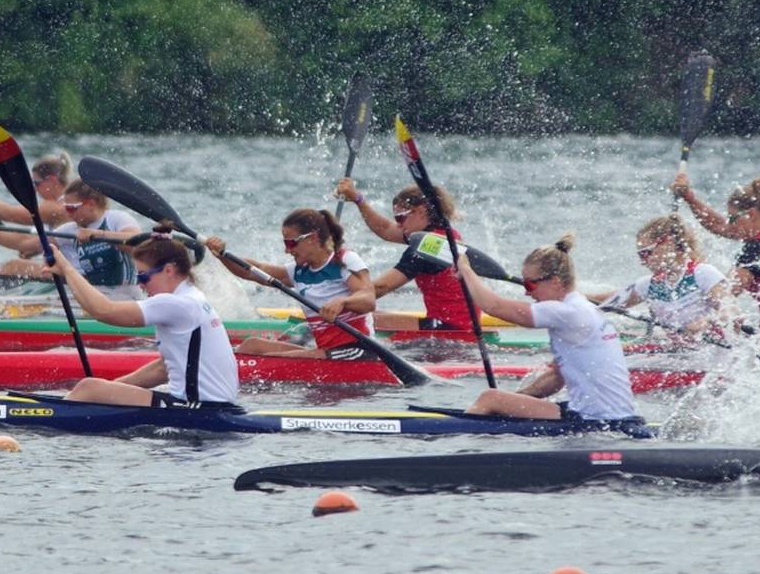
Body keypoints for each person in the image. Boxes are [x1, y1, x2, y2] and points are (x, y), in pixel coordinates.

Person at [41, 222, 239, 408]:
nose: (140, 284)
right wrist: (111, 389)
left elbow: (103, 311)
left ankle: (47, 414)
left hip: (198, 410)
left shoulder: (177, 304)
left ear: (169, 270)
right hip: (209, 405)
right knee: (93, 389)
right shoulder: (193, 297)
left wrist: (67, 269)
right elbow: (163, 368)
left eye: (143, 276)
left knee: (88, 387)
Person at [455, 232, 640, 423]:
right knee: (497, 400)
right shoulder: (583, 308)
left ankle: (460, 437)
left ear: (555, 282)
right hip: (614, 415)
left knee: (489, 398)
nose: (526, 292)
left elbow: (494, 306)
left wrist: (466, 270)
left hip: (595, 419)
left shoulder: (567, 312)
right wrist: (516, 400)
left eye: (530, 284)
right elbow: (555, 378)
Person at [204, 208, 377, 360]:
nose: (287, 250)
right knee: (252, 346)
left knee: (267, 362)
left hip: (356, 351)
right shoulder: (299, 271)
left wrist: (343, 302)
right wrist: (222, 255)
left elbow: (368, 299)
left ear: (313, 238)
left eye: (291, 242)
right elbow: (253, 270)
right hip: (325, 351)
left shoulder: (344, 260)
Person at [672, 175, 760, 336]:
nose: (730, 223)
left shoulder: (758, 249)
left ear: (751, 214)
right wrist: (690, 199)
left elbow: (725, 293)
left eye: (732, 218)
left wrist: (680, 307)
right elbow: (721, 226)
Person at [335, 178, 477, 331]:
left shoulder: (426, 248)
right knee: (368, 313)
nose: (398, 224)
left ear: (421, 211)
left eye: (400, 217)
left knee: (359, 318)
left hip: (451, 328)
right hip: (460, 322)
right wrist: (358, 199)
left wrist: (338, 300)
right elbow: (385, 229)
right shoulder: (444, 234)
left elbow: (382, 287)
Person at [0, 179, 140, 293]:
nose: (68, 213)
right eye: (66, 209)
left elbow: (138, 244)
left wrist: (99, 234)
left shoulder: (116, 218)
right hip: (93, 297)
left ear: (91, 204)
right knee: (13, 266)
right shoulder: (69, 230)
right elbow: (25, 243)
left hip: (125, 296)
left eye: (72, 208)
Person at [585, 214, 730, 342]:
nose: (643, 261)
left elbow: (729, 310)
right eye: (640, 255)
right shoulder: (648, 285)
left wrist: (706, 322)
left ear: (669, 243)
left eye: (646, 253)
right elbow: (604, 304)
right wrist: (570, 296)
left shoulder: (703, 274)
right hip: (675, 354)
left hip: (710, 357)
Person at [0, 151, 73, 275]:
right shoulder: (69, 201)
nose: (34, 188)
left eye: (36, 183)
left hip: (74, 273)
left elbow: (6, 214)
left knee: (12, 267)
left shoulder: (55, 207)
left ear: (52, 180)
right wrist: (37, 249)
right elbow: (30, 241)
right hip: (73, 268)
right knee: (15, 265)